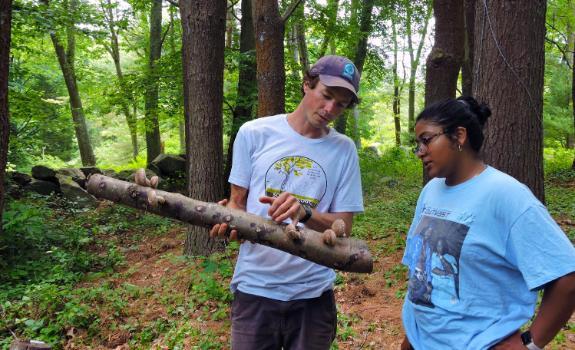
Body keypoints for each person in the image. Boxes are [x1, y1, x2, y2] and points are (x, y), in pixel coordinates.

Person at [210, 55, 364, 350]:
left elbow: (343, 226)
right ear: (307, 85)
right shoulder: (254, 133)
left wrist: (305, 212)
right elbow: (236, 204)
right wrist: (227, 220)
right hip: (256, 288)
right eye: (326, 95)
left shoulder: (344, 150)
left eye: (341, 104)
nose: (330, 109)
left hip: (313, 295)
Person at [401, 96, 575, 350]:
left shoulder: (506, 195)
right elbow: (420, 272)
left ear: (459, 136)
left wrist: (531, 343)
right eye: (418, 144)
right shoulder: (430, 192)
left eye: (426, 140)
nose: (420, 152)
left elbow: (567, 277)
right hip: (421, 340)